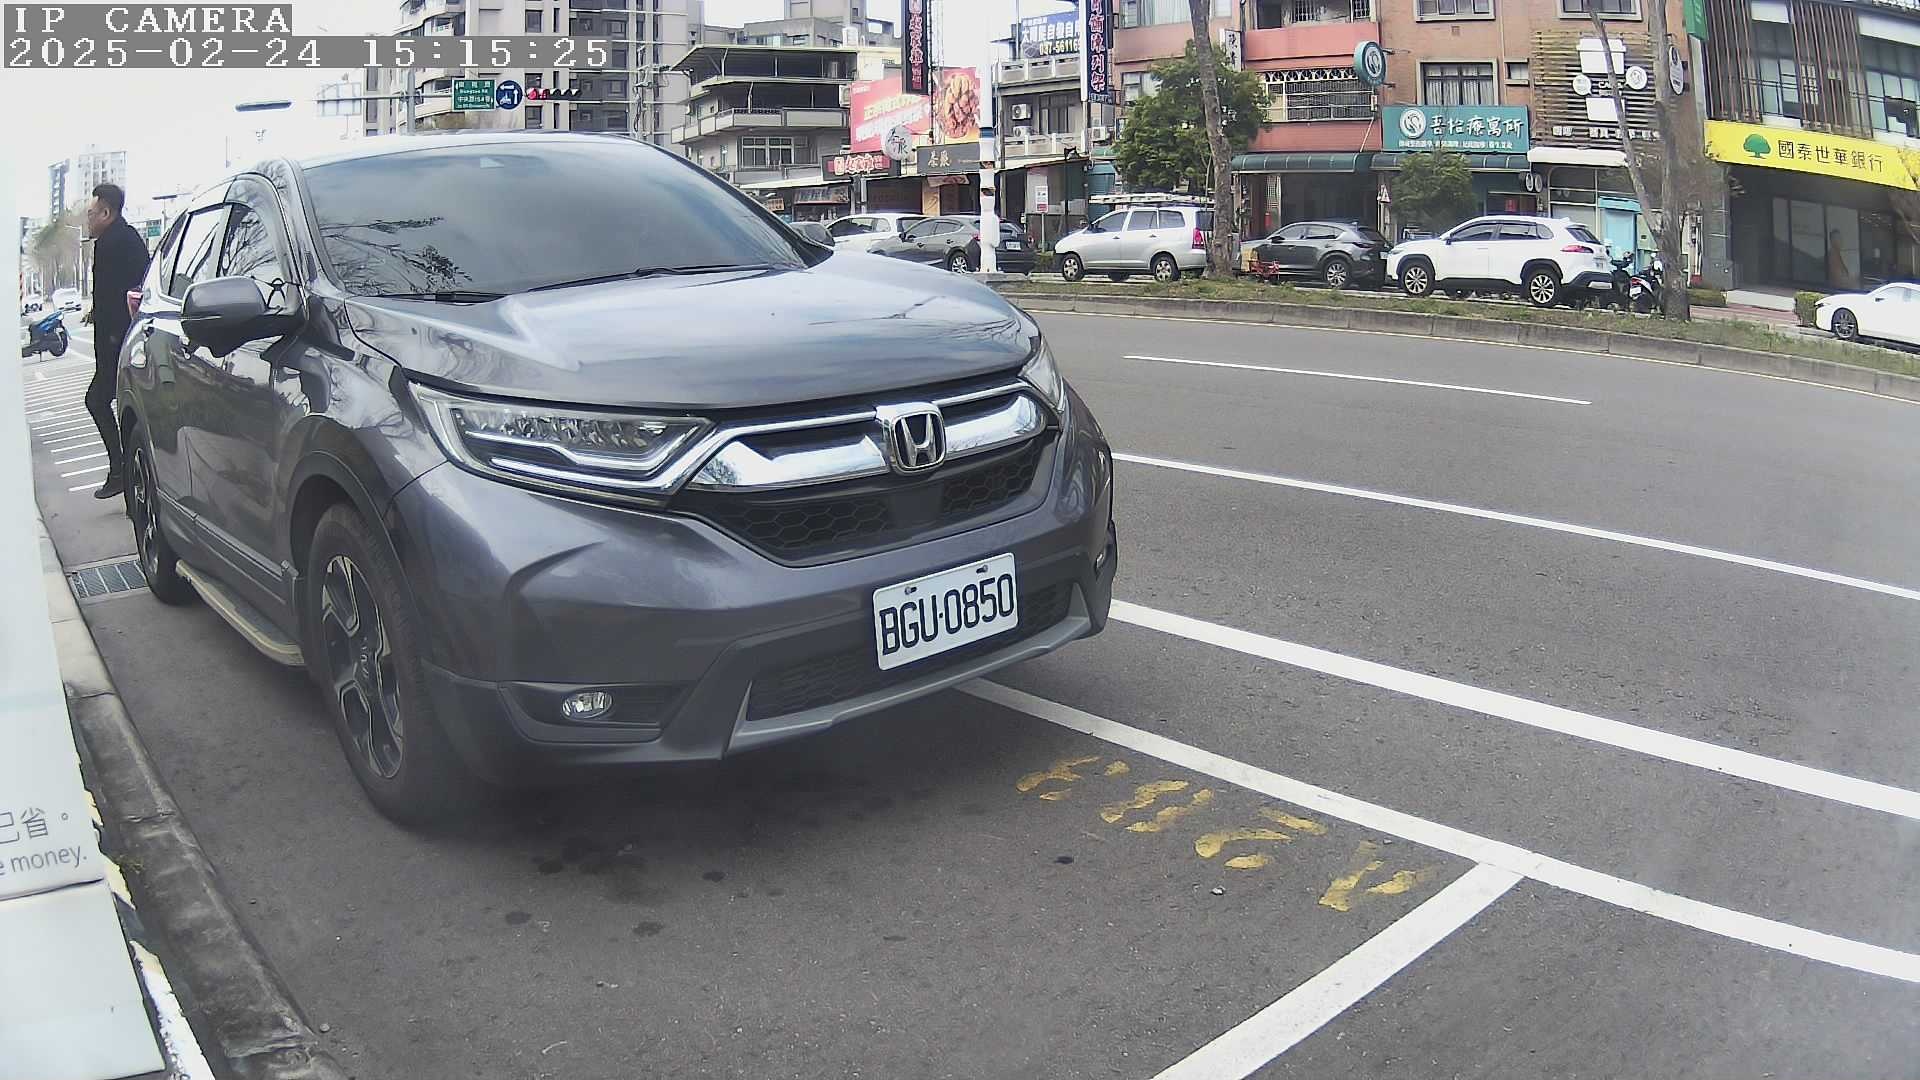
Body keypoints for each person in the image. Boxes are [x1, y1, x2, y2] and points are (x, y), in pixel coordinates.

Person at [82, 182, 149, 500]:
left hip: (118, 343)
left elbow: (119, 295)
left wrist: (111, 337)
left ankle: (122, 470)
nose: (88, 219)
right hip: (126, 340)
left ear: (106, 213)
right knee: (121, 405)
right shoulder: (125, 237)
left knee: (97, 401)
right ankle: (127, 473)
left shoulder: (112, 244)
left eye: (91, 213)